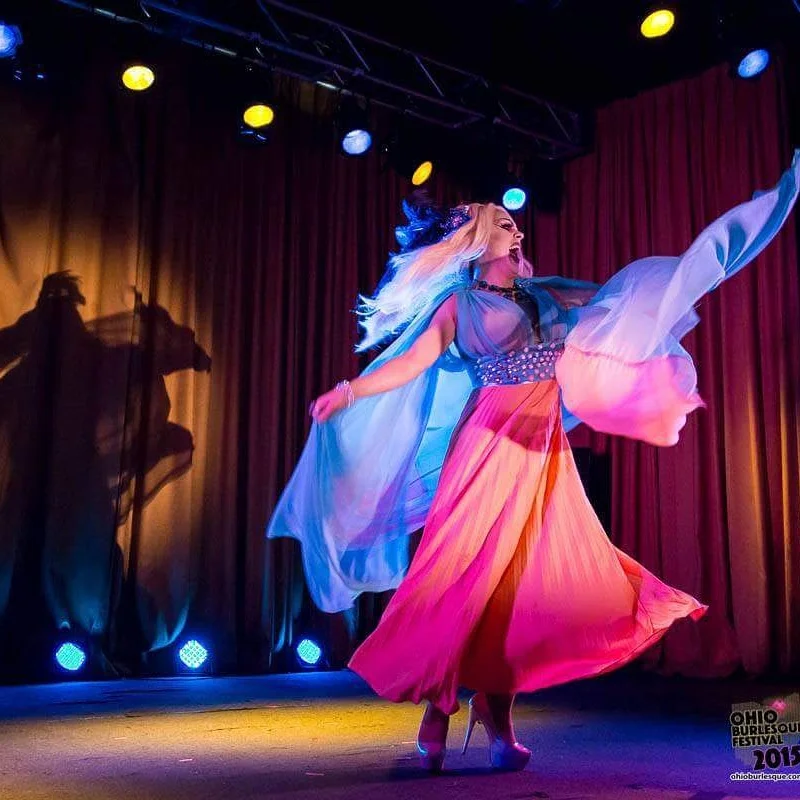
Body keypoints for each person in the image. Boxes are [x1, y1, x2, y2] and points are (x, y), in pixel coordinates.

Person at [267, 150, 800, 773]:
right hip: (488, 442)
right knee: (464, 577)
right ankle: (437, 712)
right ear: (475, 243)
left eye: (515, 222)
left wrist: (685, 276)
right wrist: (349, 391)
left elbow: (616, 302)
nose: (515, 228)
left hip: (542, 448)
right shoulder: (459, 305)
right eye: (502, 223)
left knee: (520, 590)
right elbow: (410, 363)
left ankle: (498, 719)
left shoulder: (544, 294)